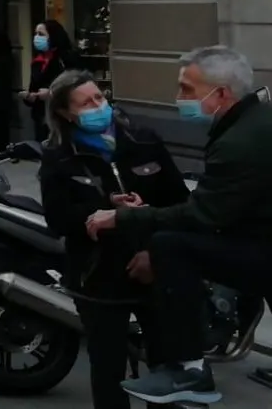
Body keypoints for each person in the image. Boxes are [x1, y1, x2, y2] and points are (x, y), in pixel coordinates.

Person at [86, 46, 272, 404]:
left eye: (187, 89)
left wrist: (123, 217)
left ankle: (189, 371)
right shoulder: (253, 122)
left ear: (221, 94)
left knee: (171, 247)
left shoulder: (240, 141)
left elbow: (204, 215)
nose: (178, 98)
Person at [38, 69, 187, 409]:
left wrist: (148, 223)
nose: (97, 106)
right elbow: (58, 219)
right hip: (98, 278)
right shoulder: (59, 156)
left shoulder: (143, 140)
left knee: (167, 364)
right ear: (65, 113)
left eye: (99, 98)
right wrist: (104, 211)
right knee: (108, 367)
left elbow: (180, 201)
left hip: (154, 267)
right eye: (86, 103)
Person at [24, 19, 75, 141]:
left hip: (62, 116)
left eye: (41, 34)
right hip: (41, 117)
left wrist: (50, 94)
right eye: (35, 34)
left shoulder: (67, 59)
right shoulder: (37, 62)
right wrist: (29, 97)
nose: (37, 38)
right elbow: (33, 87)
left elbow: (75, 87)